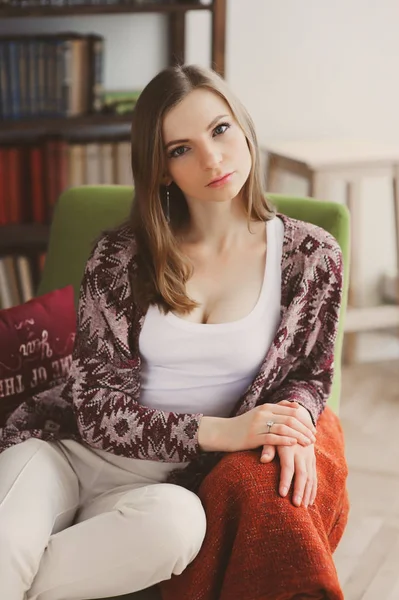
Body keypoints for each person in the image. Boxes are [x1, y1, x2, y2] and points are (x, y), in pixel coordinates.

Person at [0, 64, 349, 600]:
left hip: (167, 490)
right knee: (7, 544)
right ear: (162, 170)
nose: (212, 157)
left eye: (220, 129)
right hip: (64, 452)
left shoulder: (311, 257)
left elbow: (311, 372)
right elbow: (95, 407)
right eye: (181, 149)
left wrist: (296, 420)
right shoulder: (119, 257)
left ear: (244, 127)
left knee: (179, 528)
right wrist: (224, 431)